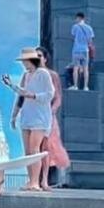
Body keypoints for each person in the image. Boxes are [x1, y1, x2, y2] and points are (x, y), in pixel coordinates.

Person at [2, 48, 55, 192]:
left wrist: (34, 96)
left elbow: (50, 94)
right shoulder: (26, 75)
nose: (23, 63)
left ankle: (35, 182)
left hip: (40, 117)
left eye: (25, 61)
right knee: (27, 151)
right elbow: (21, 94)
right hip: (27, 116)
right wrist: (14, 114)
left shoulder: (43, 74)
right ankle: (30, 180)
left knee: (34, 149)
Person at [38, 47, 70, 187]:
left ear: (45, 58)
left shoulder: (52, 75)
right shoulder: (31, 75)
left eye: (39, 56)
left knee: (53, 144)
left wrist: (52, 111)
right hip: (36, 116)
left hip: (48, 115)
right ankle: (37, 179)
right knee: (36, 146)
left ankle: (60, 178)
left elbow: (58, 97)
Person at [70, 13, 94, 91]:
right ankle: (85, 86)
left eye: (76, 18)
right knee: (86, 69)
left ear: (79, 18)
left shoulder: (75, 27)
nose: (75, 20)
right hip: (85, 50)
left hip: (76, 50)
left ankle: (75, 86)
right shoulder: (89, 28)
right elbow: (90, 41)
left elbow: (73, 37)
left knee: (75, 68)